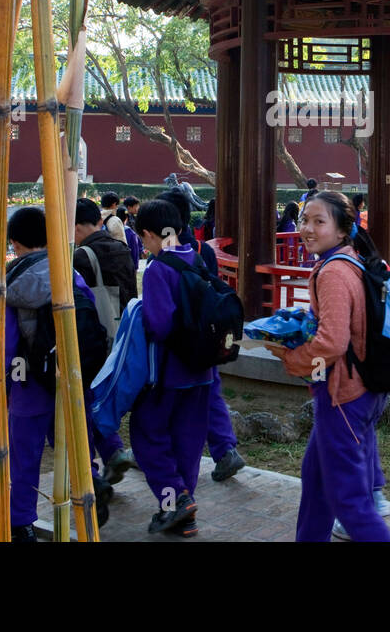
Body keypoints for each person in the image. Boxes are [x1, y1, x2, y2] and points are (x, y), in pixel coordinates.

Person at [265, 191, 390, 542]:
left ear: (341, 231)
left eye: (319, 222)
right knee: (317, 479)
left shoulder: (334, 272)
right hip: (355, 392)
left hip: (344, 397)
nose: (307, 228)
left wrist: (293, 359)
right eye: (305, 219)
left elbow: (332, 343)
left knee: (351, 503)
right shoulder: (349, 260)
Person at [5, 206, 112, 541]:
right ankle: (89, 484)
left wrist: (6, 381)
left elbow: (7, 343)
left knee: (25, 455)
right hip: (71, 375)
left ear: (16, 243)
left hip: (28, 383)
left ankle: (21, 522)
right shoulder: (69, 273)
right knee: (75, 442)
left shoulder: (10, 283)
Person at [130, 198, 214, 536]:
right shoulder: (198, 258)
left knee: (147, 434)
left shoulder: (157, 269)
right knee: (188, 442)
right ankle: (185, 512)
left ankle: (174, 498)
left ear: (149, 234)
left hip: (168, 372)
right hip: (203, 371)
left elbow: (161, 326)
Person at [156, 188, 246, 483]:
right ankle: (225, 449)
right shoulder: (202, 249)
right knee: (211, 391)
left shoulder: (166, 255)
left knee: (175, 408)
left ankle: (172, 469)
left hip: (182, 343)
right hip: (210, 336)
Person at [73, 197, 139, 484]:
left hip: (94, 337)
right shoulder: (121, 248)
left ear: (75, 226)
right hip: (122, 334)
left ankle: (104, 458)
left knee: (87, 399)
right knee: (102, 395)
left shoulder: (81, 257)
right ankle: (113, 450)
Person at [121, 196, 143, 268]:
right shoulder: (127, 218)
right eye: (136, 206)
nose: (138, 208)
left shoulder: (133, 216)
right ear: (129, 207)